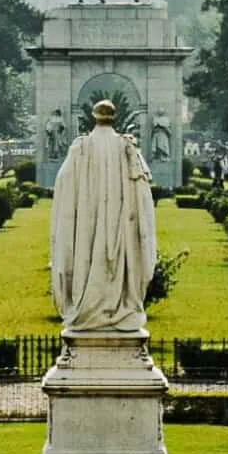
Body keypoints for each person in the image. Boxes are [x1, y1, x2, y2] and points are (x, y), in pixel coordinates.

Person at [49, 98, 158, 334]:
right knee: (116, 259)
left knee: (87, 253)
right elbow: (143, 197)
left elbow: (64, 188)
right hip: (122, 223)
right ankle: (119, 304)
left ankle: (88, 306)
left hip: (87, 226)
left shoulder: (81, 148)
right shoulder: (128, 149)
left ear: (93, 117)